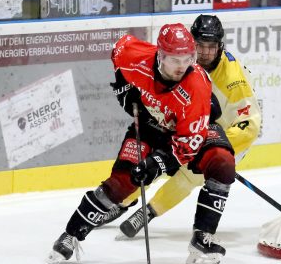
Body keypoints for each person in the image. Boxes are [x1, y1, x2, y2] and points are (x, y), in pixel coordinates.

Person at [47, 23, 237, 264]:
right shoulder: (136, 57)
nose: (182, 66)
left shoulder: (196, 85)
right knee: (121, 184)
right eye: (174, 59)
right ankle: (71, 234)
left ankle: (203, 238)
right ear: (160, 55)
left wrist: (156, 164)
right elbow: (118, 49)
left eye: (188, 58)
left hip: (187, 132)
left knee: (222, 162)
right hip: (149, 126)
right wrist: (124, 88)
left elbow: (188, 145)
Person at [111, 14, 262, 245]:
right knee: (152, 161)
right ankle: (122, 201)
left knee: (189, 176)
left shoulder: (232, 77)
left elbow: (249, 126)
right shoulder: (180, 63)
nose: (204, 53)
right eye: (199, 46)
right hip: (192, 124)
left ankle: (147, 212)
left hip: (227, 131)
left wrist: (205, 142)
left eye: (211, 48)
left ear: (220, 46)